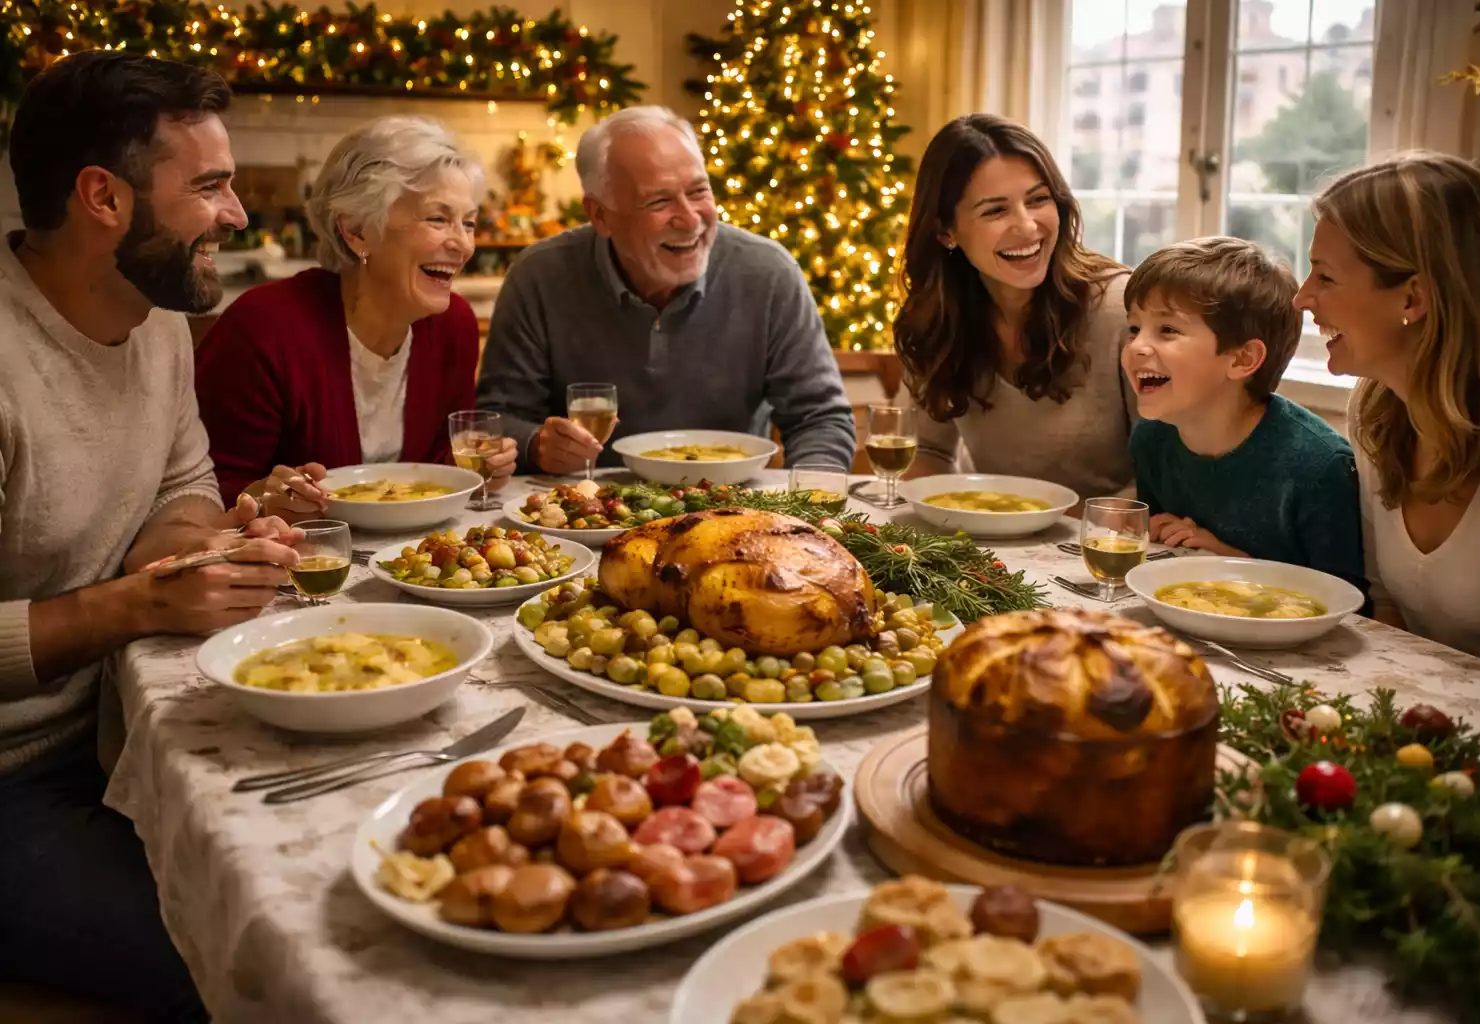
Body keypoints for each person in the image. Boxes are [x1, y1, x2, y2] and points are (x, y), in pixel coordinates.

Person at [0, 51, 302, 1019]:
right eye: (210, 186)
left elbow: (183, 481)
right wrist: (133, 605)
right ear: (102, 197)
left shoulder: (157, 313)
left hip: (124, 728)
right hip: (15, 780)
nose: (239, 215)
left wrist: (191, 549)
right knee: (262, 959)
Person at [475, 105, 856, 474]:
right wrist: (536, 445)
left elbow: (819, 418)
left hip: (731, 514)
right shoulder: (539, 276)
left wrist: (813, 502)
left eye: (698, 192)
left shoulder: (769, 273)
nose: (690, 219)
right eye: (659, 201)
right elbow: (498, 420)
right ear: (600, 215)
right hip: (584, 516)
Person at [195, 116, 517, 520]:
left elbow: (435, 463)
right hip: (296, 566)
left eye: (468, 222)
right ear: (356, 230)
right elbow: (202, 491)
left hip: (413, 560)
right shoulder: (264, 327)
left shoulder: (454, 326)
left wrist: (482, 465)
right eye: (438, 219)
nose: (463, 244)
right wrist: (262, 497)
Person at [1295, 152, 1480, 671]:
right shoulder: (1378, 413)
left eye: (1325, 277)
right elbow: (1386, 620)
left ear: (1414, 298)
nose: (1302, 298)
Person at [894, 113, 1134, 499]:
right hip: (997, 547)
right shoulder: (936, 318)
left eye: (1038, 200)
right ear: (945, 231)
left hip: (1109, 548)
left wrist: (1068, 530)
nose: (1027, 226)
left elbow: (1165, 474)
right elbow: (929, 452)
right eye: (995, 210)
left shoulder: (1122, 309)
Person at [1121, 237, 1365, 591]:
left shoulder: (1320, 467)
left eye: (1168, 330)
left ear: (1242, 359)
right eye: (1133, 328)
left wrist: (1232, 562)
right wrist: (1159, 533)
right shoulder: (1151, 439)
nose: (1137, 346)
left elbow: (1348, 604)